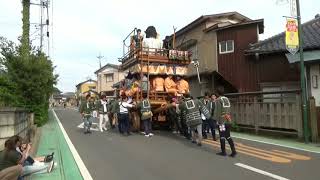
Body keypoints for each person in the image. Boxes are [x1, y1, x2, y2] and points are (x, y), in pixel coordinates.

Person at [214, 86, 237, 157]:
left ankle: (223, 152)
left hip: (222, 121)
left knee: (222, 136)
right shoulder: (227, 99)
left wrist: (216, 120)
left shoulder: (218, 100)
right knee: (228, 136)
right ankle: (233, 151)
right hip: (228, 120)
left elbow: (217, 112)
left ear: (217, 93)